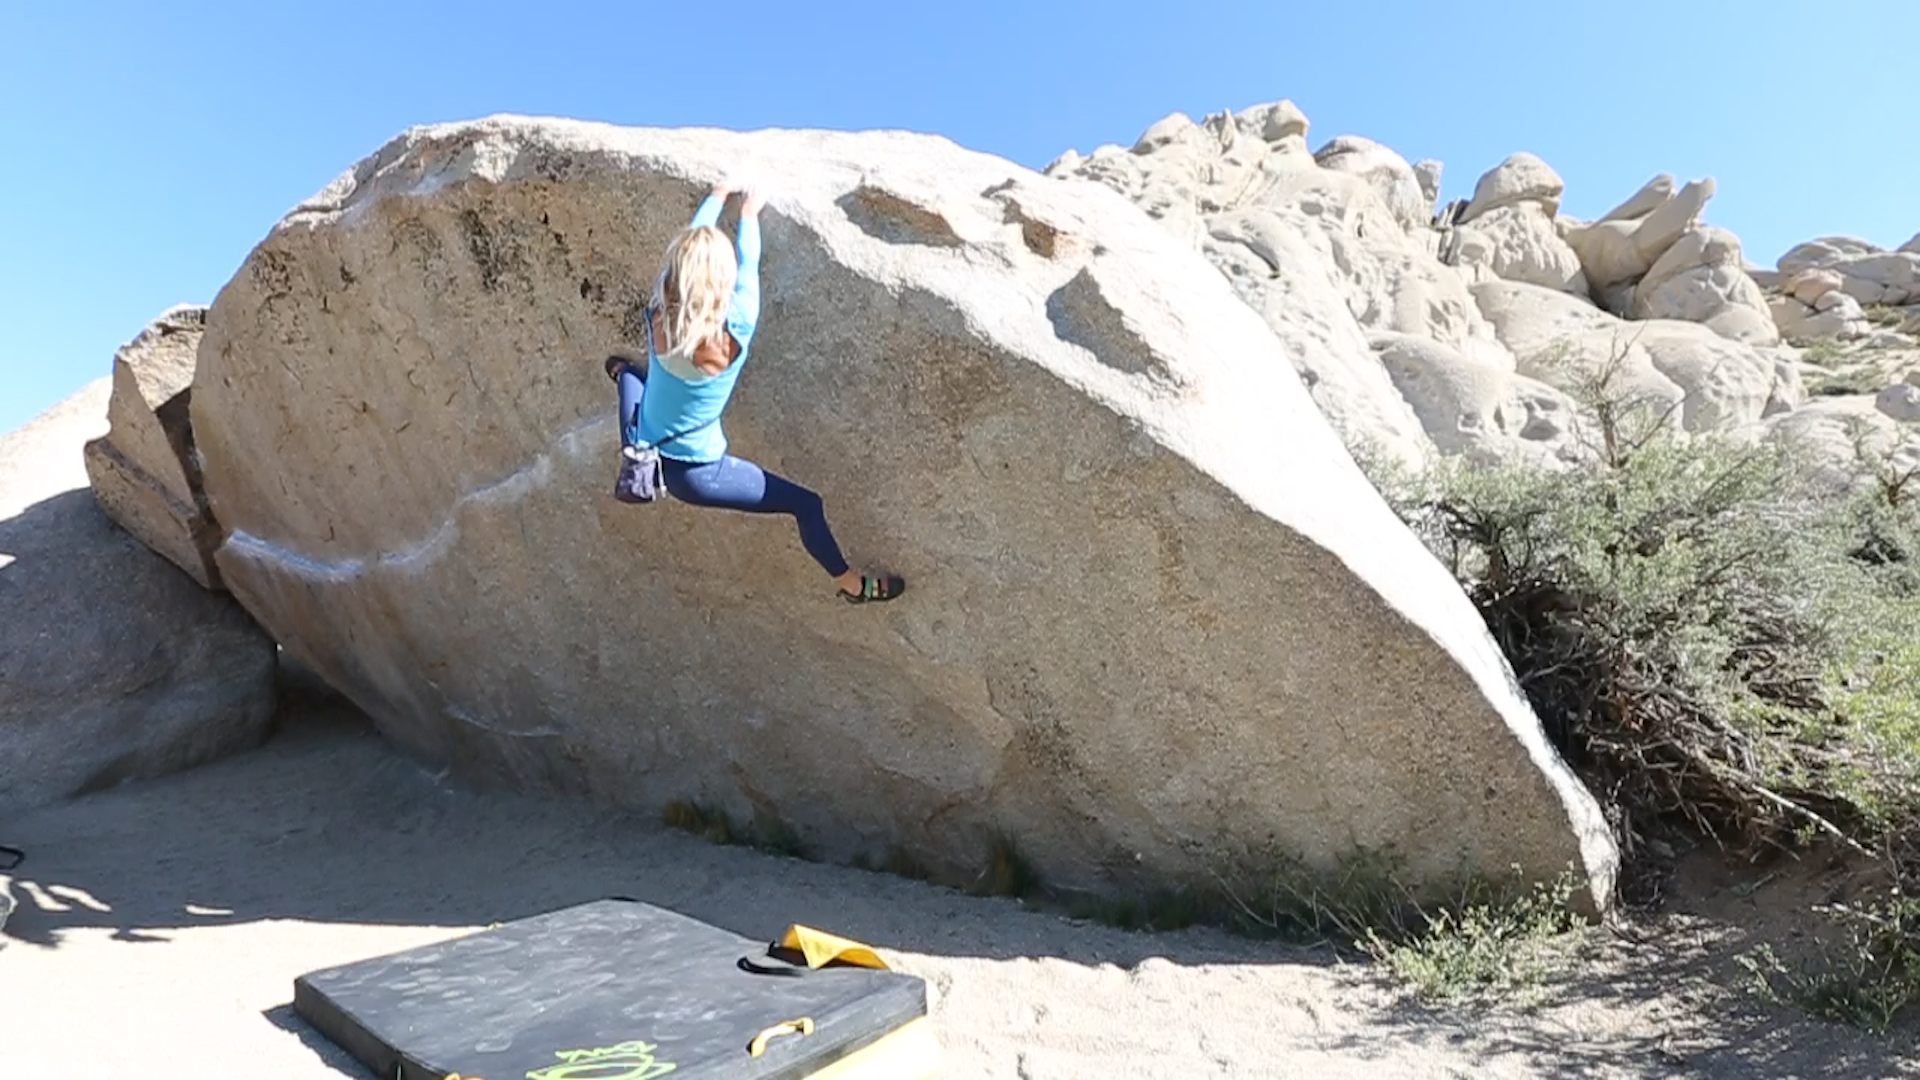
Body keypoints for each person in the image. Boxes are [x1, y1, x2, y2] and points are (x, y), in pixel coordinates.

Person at [606, 177, 905, 604]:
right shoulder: (738, 326)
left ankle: (620, 374)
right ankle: (849, 582)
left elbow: (689, 250)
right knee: (807, 505)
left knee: (633, 377)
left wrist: (715, 197)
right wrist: (748, 214)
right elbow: (750, 263)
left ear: (676, 273)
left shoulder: (658, 309)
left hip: (643, 441)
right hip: (697, 476)